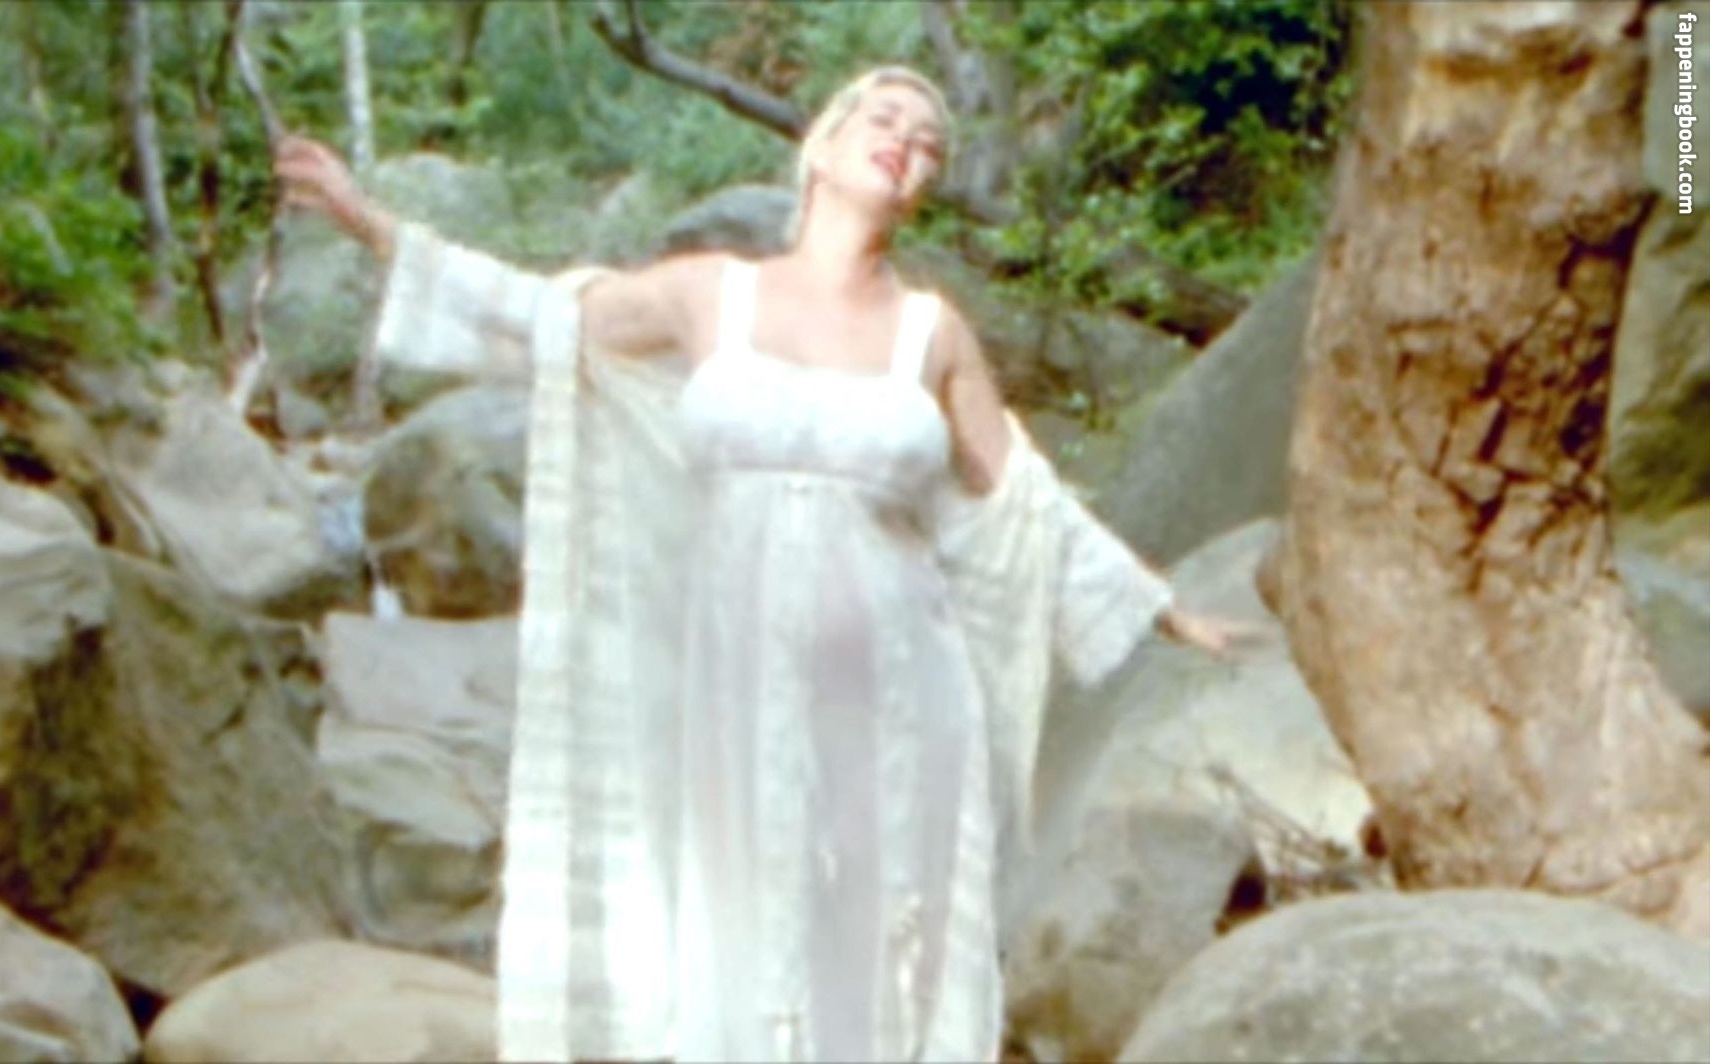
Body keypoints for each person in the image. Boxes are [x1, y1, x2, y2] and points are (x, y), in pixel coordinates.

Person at [278, 65, 1245, 1063]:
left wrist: (1160, 606)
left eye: (929, 143)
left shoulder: (932, 332)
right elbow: (544, 319)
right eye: (885, 119)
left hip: (896, 694)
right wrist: (374, 226)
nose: (906, 144)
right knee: (737, 936)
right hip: (735, 685)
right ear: (821, 145)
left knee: (871, 950)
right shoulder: (711, 293)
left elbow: (1020, 499)